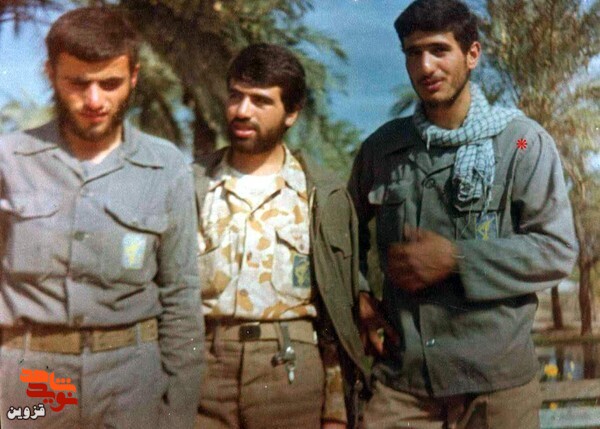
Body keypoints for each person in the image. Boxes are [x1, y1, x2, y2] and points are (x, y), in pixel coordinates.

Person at [348, 0, 578, 428]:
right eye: (413, 53)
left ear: (472, 54)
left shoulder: (521, 143)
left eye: (439, 50)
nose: (426, 66)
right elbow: (343, 234)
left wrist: (457, 258)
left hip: (496, 387)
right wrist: (357, 295)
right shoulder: (382, 149)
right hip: (404, 382)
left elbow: (556, 249)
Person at [0, 7, 203, 429]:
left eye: (110, 83)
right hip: (30, 384)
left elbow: (181, 297)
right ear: (51, 74)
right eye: (78, 83)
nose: (94, 101)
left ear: (134, 77)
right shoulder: (8, 160)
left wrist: (178, 413)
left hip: (132, 384)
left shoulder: (166, 167)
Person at [193, 43, 368, 429]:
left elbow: (336, 314)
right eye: (236, 96)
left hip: (290, 373)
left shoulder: (321, 194)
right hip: (202, 369)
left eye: (260, 101)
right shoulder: (193, 185)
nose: (242, 111)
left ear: (291, 113)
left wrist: (336, 411)